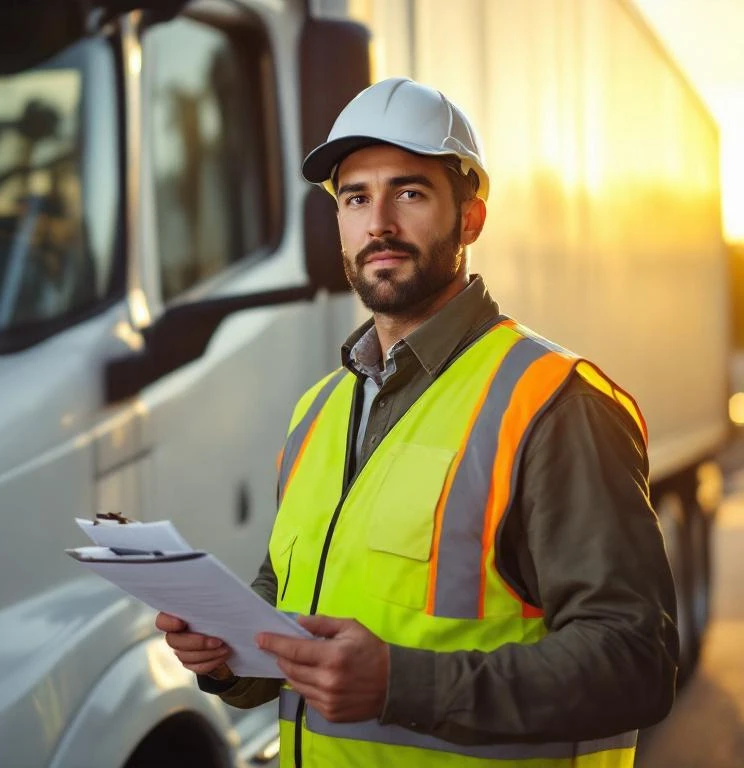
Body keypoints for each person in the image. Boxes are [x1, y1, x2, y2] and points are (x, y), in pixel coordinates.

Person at [156, 78, 678, 767]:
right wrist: (227, 654)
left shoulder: (555, 401)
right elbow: (291, 600)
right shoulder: (320, 408)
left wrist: (404, 685)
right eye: (355, 198)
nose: (379, 225)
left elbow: (634, 660)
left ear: (470, 220)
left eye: (410, 193)